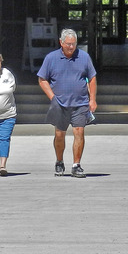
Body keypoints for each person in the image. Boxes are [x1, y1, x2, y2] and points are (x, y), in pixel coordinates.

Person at [37, 29, 97, 178]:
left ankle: (76, 165)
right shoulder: (51, 58)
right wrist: (52, 97)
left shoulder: (84, 57)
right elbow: (42, 79)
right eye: (68, 44)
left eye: (74, 44)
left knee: (79, 132)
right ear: (61, 43)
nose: (71, 47)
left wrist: (93, 99)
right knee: (59, 134)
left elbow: (93, 78)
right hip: (60, 103)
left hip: (80, 103)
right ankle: (59, 161)